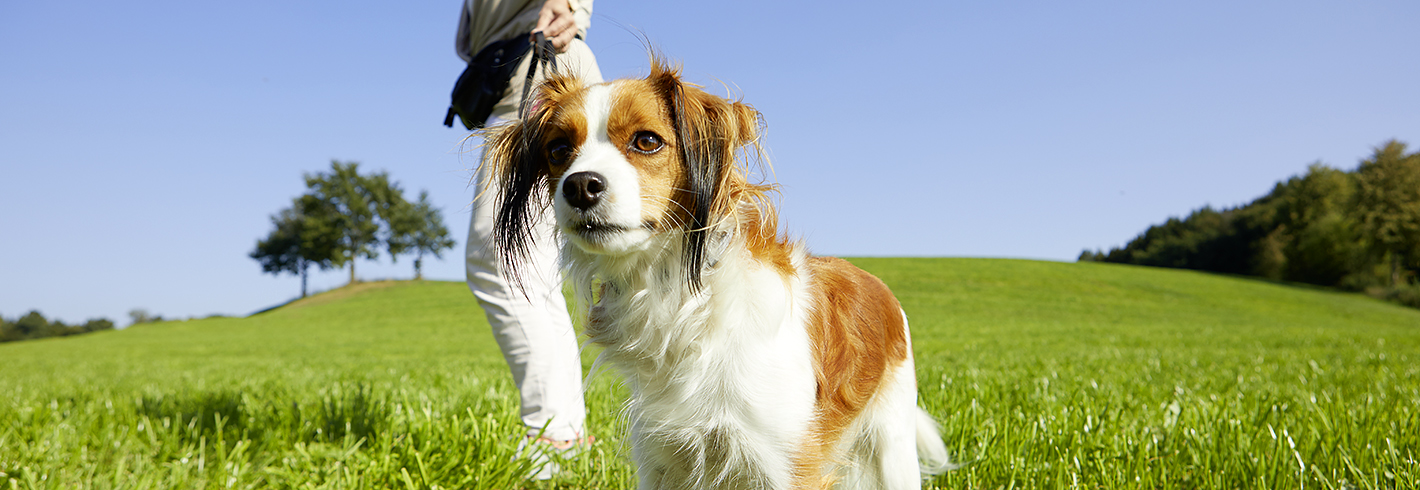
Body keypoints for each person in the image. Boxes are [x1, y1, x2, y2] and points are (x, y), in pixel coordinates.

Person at [454, 0, 603, 479]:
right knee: (526, 272)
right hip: (522, 67)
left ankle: (555, 434)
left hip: (541, 63)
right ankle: (564, 433)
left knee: (502, 261)